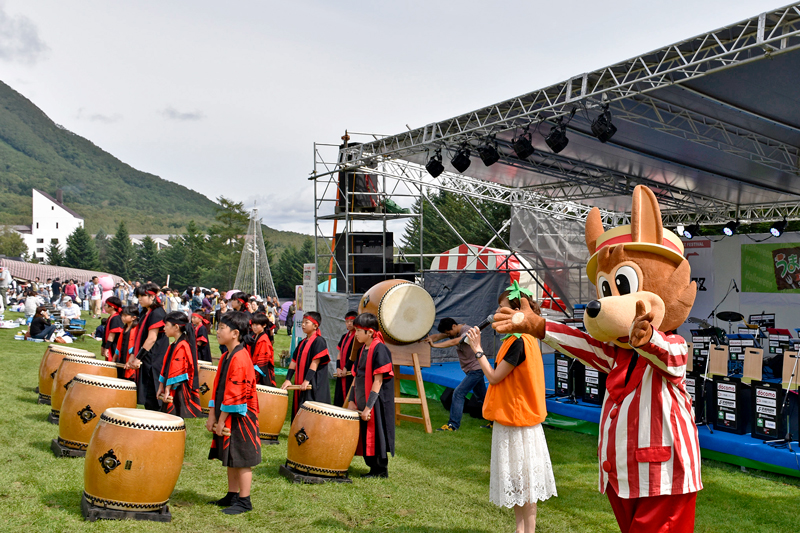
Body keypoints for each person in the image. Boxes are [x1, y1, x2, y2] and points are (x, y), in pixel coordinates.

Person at [467, 283, 556, 533]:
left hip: (519, 422)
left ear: (517, 312)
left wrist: (478, 351)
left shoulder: (519, 341)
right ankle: (521, 530)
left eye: (502, 308)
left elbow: (494, 377)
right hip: (516, 419)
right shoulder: (518, 340)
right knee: (520, 483)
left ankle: (528, 530)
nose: (497, 312)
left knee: (526, 483)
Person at [206, 311, 261, 515]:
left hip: (240, 417)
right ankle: (232, 494)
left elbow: (235, 393)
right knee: (230, 457)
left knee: (242, 458)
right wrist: (212, 415)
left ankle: (244, 500)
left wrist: (222, 420)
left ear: (235, 333)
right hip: (226, 413)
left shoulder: (240, 357)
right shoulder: (226, 356)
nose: (217, 331)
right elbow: (218, 388)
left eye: (221, 328)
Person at [347, 312, 395, 478]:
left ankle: (380, 470)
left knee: (377, 434)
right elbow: (356, 377)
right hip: (361, 399)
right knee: (365, 434)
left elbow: (378, 381)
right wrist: (352, 400)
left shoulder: (380, 349)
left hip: (376, 402)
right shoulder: (362, 350)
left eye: (359, 330)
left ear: (370, 332)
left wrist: (369, 406)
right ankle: (373, 468)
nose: (356, 334)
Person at [427, 317, 487, 432]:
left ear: (454, 326)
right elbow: (439, 336)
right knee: (482, 398)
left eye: (448, 332)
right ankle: (496, 421)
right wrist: (428, 339)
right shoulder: (455, 331)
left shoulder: (468, 331)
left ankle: (453, 425)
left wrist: (434, 346)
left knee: (458, 393)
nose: (448, 334)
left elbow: (454, 341)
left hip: (476, 369)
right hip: (473, 369)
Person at [281, 311, 331, 420]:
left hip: (314, 384)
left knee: (312, 413)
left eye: (306, 322)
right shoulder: (302, 342)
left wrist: (307, 380)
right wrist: (288, 379)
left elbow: (315, 362)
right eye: (302, 322)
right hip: (301, 383)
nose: (303, 325)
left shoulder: (319, 341)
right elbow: (293, 362)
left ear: (315, 326)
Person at [128, 282, 169, 411]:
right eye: (138, 296)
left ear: (152, 297)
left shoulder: (157, 313)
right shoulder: (147, 312)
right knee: (148, 395)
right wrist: (133, 355)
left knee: (154, 394)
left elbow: (152, 338)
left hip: (155, 359)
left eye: (142, 296)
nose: (139, 299)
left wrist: (138, 357)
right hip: (147, 357)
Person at [159, 312, 202, 418]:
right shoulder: (174, 344)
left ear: (176, 327)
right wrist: (161, 386)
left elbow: (177, 369)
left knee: (175, 418)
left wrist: (168, 388)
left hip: (178, 388)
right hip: (171, 385)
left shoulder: (182, 345)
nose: (164, 328)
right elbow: (166, 366)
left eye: (166, 325)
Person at [333, 311, 358, 407]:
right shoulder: (344, 336)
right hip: (342, 371)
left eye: (352, 321)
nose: (349, 323)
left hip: (351, 371)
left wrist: (346, 368)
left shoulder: (358, 337)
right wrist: (338, 367)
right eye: (347, 321)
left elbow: (354, 354)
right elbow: (339, 352)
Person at [114, 305, 140, 381]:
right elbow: (119, 345)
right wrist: (114, 357)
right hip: (122, 358)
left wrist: (131, 361)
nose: (123, 317)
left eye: (125, 316)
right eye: (122, 315)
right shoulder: (124, 328)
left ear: (133, 317)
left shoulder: (136, 329)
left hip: (130, 359)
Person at [250, 313, 276, 386]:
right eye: (253, 324)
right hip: (254, 370)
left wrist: (255, 373)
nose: (254, 327)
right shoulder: (254, 336)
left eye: (257, 325)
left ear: (264, 325)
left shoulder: (264, 340)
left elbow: (263, 361)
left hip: (263, 374)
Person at [102, 296, 125, 361]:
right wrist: (103, 346)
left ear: (112, 307)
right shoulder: (111, 317)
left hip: (114, 347)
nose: (104, 306)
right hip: (110, 346)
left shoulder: (116, 318)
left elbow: (111, 336)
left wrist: (106, 348)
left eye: (106, 305)